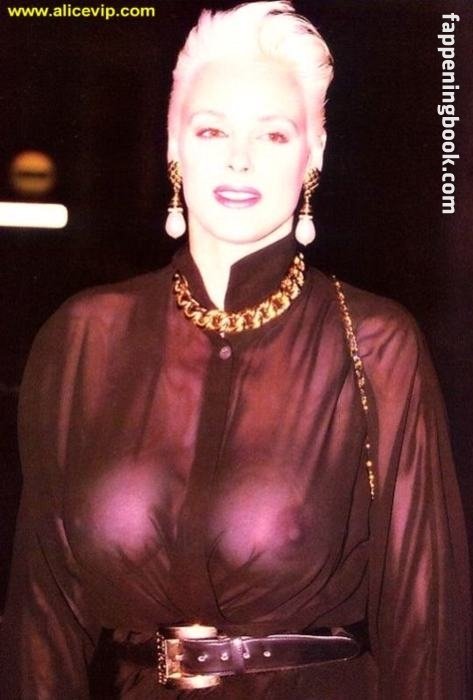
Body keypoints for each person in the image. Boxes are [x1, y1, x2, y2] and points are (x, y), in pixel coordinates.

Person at [0, 1, 470, 698]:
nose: (239, 158)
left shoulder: (375, 344)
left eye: (274, 134)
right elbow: (42, 613)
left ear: (315, 153)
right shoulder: (82, 338)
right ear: (173, 145)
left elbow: (424, 622)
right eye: (212, 128)